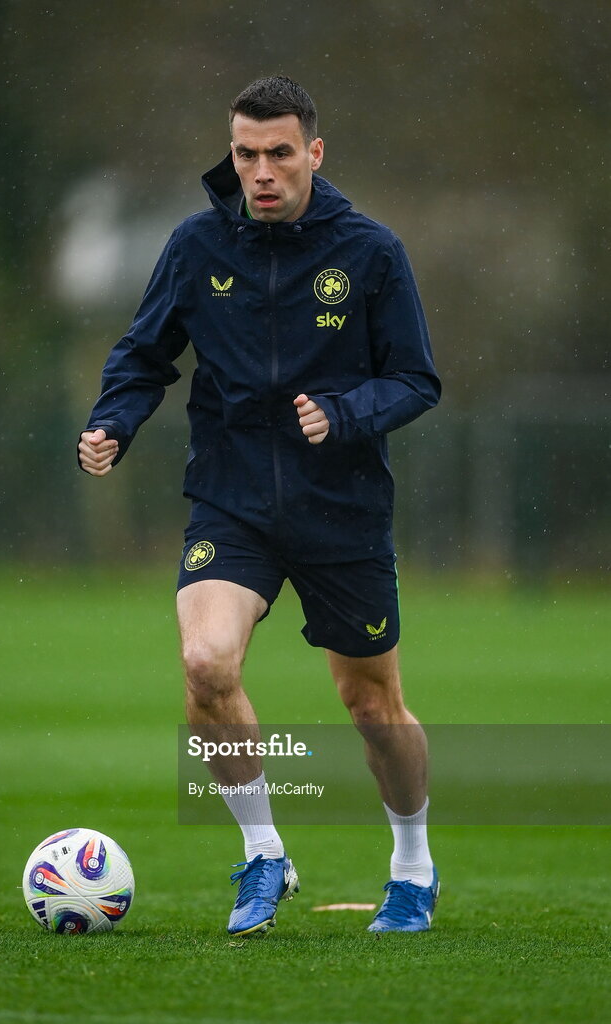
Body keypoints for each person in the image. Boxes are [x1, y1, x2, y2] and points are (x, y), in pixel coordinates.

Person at [78, 76, 441, 937]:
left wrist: (346, 414)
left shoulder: (371, 253)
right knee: (206, 663)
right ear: (231, 152)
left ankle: (413, 866)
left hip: (340, 507)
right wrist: (113, 423)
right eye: (247, 154)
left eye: (281, 153)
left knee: (371, 705)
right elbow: (143, 354)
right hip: (231, 500)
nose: (263, 171)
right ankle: (265, 857)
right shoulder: (198, 246)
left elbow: (417, 379)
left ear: (315, 152)